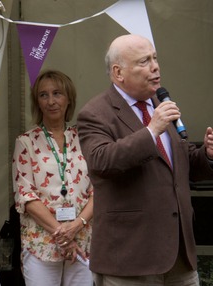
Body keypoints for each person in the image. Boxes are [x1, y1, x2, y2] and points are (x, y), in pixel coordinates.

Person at [77, 34, 213, 285]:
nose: (155, 66)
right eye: (144, 61)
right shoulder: (95, 113)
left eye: (155, 58)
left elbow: (182, 167)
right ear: (118, 73)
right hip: (130, 258)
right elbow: (102, 161)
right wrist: (152, 130)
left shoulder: (161, 104)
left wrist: (207, 155)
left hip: (180, 255)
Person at [12, 70, 94, 286]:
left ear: (69, 99)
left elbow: (100, 190)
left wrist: (76, 226)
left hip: (82, 241)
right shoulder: (25, 142)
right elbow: (25, 196)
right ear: (37, 102)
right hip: (41, 244)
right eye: (43, 95)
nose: (51, 101)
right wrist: (62, 235)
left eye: (57, 93)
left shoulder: (85, 138)